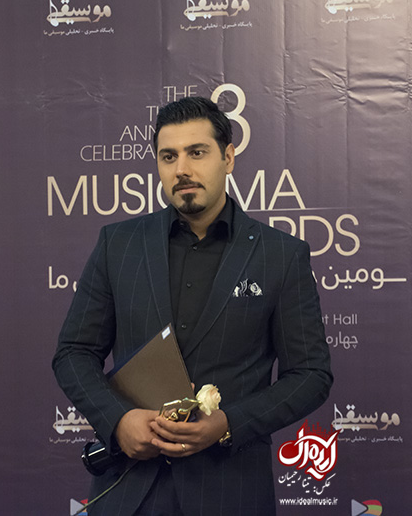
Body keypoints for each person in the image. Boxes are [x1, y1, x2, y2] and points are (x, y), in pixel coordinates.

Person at [53, 96, 332, 515]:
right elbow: (73, 353)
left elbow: (311, 375)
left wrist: (228, 424)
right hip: (131, 489)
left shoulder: (281, 255)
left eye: (196, 152)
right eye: (169, 156)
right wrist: (119, 421)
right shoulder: (119, 245)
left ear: (228, 157)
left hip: (231, 491)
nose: (181, 168)